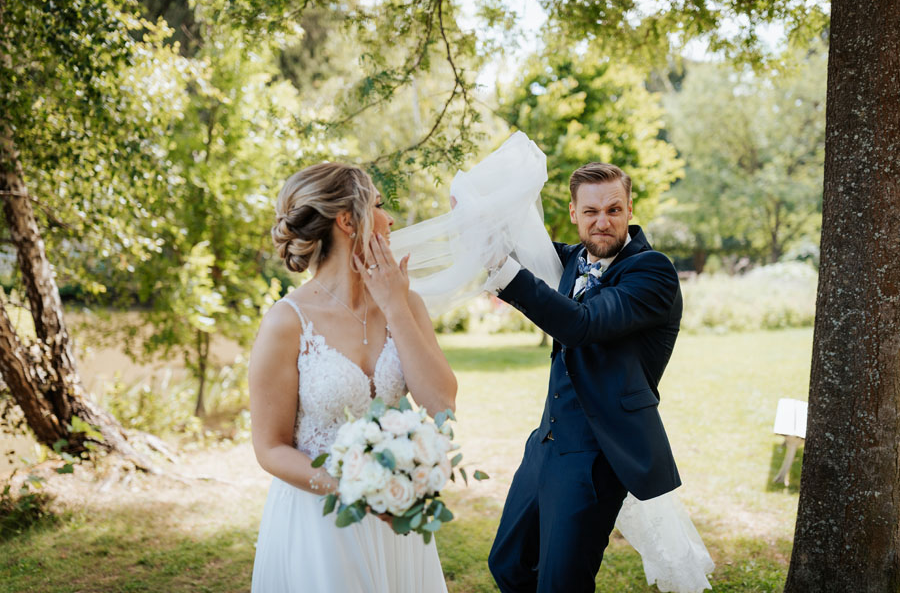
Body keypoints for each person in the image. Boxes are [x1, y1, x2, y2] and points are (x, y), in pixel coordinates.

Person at [248, 162, 457, 592]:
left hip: (396, 518)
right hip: (320, 521)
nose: (390, 218)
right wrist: (356, 489)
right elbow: (270, 447)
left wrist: (395, 306)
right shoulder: (287, 322)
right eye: (379, 205)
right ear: (348, 220)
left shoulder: (407, 304)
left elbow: (441, 406)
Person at [485, 162, 684, 592]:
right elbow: (519, 251)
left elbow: (582, 324)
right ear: (574, 213)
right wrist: (478, 218)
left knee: (562, 584)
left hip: (596, 456)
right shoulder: (572, 258)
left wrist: (506, 274)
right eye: (591, 211)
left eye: (614, 209)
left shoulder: (652, 271)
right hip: (545, 445)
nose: (602, 221)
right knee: (508, 564)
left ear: (630, 208)